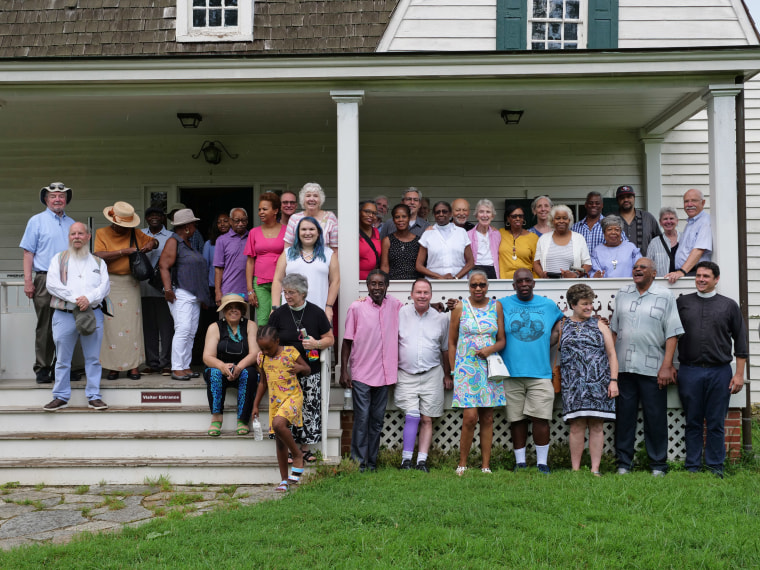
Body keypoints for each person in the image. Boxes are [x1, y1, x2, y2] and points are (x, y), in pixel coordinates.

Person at [610, 258, 683, 476]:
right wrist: (611, 365)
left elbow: (672, 332)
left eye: (643, 267)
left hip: (653, 368)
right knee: (624, 417)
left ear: (654, 272)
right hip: (624, 368)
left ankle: (658, 465)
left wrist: (667, 366)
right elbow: (614, 330)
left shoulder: (664, 296)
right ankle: (623, 463)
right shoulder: (623, 293)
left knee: (655, 417)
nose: (637, 270)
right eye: (635, 267)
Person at [676, 261, 747, 477]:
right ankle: (692, 467)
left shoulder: (728, 305)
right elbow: (670, 335)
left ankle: (716, 466)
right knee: (693, 420)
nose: (701, 280)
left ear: (716, 279)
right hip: (689, 370)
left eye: (706, 276)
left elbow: (741, 341)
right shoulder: (683, 303)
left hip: (719, 371)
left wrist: (739, 374)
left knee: (716, 421)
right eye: (698, 276)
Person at [498, 268, 563, 473]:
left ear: (534, 283)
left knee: (541, 418)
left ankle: (542, 463)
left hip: (540, 373)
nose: (524, 284)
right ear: (514, 285)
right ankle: (520, 463)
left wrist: (552, 339)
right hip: (510, 373)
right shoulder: (502, 304)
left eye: (528, 280)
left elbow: (561, 323)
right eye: (520, 281)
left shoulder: (548, 305)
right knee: (516, 419)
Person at [43, 222, 111, 411]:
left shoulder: (98, 262)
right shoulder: (59, 259)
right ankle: (61, 396)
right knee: (63, 359)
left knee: (93, 358)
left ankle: (94, 396)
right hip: (65, 314)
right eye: (73, 234)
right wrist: (76, 299)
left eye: (81, 233)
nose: (77, 237)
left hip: (93, 314)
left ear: (88, 237)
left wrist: (88, 298)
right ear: (69, 237)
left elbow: (104, 287)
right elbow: (52, 284)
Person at [340, 269, 402, 472]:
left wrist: (436, 306)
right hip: (362, 374)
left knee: (376, 421)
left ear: (387, 286)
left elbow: (413, 311)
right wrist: (344, 371)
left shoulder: (394, 305)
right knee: (362, 419)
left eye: (380, 284)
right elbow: (347, 341)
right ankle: (359, 463)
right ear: (367, 286)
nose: (377, 288)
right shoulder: (356, 308)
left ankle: (372, 463)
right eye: (373, 284)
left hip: (384, 374)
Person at [269, 273, 334, 463]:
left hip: (309, 370)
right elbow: (268, 338)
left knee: (308, 409)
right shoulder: (279, 314)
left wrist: (317, 343)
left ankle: (305, 448)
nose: (287, 296)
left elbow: (330, 339)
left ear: (303, 293)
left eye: (292, 293)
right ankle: (290, 449)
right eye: (285, 292)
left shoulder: (316, 313)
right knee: (287, 411)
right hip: (285, 373)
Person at [20, 181, 80, 384]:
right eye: (53, 196)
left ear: (66, 200)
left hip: (69, 280)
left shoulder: (73, 224)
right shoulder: (36, 221)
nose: (57, 199)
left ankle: (62, 367)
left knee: (68, 325)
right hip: (45, 278)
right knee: (46, 325)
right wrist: (28, 281)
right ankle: (43, 368)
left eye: (61, 196)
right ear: (46, 199)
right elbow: (28, 252)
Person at [449, 271, 506, 475]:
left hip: (489, 368)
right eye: (474, 285)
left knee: (488, 417)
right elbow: (452, 342)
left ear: (488, 286)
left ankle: (485, 465)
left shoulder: (495, 306)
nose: (478, 288)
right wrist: (454, 370)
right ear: (469, 287)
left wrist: (489, 349)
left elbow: (501, 340)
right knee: (470, 417)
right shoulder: (459, 307)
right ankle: (462, 463)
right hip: (466, 368)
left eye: (482, 284)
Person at [559, 284, 619, 475]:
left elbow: (612, 355)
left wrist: (613, 381)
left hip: (598, 384)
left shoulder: (600, 325)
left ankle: (595, 469)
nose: (589, 307)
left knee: (596, 425)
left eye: (590, 303)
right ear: (572, 305)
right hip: (572, 385)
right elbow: (552, 348)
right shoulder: (562, 325)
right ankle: (575, 470)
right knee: (576, 426)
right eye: (584, 304)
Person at [94, 201, 158, 381]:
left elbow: (155, 241)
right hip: (110, 283)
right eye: (121, 225)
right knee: (111, 326)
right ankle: (113, 367)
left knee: (132, 326)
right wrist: (124, 252)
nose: (123, 228)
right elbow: (98, 255)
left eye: (126, 226)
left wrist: (151, 245)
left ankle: (133, 366)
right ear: (113, 221)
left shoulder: (135, 233)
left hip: (131, 283)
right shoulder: (102, 233)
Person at [397, 278, 452, 472]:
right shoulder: (400, 313)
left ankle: (421, 461)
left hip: (432, 373)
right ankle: (406, 460)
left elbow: (445, 349)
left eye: (426, 292)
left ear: (431, 295)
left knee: (427, 419)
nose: (422, 296)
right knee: (412, 416)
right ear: (411, 294)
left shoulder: (441, 318)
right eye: (418, 292)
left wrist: (448, 375)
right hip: (406, 374)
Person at [253, 325, 311, 492]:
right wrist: (255, 405)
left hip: (293, 396)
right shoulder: (263, 358)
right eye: (261, 348)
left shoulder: (290, 352)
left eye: (268, 348)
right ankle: (284, 480)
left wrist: (300, 368)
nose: (264, 351)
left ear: (277, 341)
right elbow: (263, 383)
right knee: (279, 442)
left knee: (279, 424)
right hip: (275, 401)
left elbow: (307, 369)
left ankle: (298, 455)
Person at [158, 208, 213, 381]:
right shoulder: (173, 241)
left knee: (191, 332)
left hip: (194, 295)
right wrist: (168, 289)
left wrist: (203, 296)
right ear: (187, 227)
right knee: (182, 330)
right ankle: (176, 367)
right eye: (194, 224)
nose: (196, 227)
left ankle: (185, 365)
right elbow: (163, 265)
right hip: (180, 292)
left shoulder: (188, 243)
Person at [202, 294, 259, 437]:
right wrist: (222, 366)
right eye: (229, 308)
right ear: (223, 310)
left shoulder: (250, 325)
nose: (233, 311)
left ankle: (242, 419)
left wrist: (239, 367)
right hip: (220, 367)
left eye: (237, 308)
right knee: (213, 373)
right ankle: (216, 418)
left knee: (250, 373)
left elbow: (254, 353)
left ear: (242, 311)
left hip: (244, 367)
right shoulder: (214, 327)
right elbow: (207, 356)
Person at [271, 217, 340, 322]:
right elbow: (277, 280)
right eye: (303, 229)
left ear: (318, 232)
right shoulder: (287, 254)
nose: (307, 233)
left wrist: (329, 307)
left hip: (319, 311)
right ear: (298, 233)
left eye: (312, 229)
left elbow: (336, 281)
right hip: (290, 311)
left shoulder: (329, 254)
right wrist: (275, 307)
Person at [140, 206, 173, 376]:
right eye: (150, 215)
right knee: (148, 328)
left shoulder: (171, 237)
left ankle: (166, 363)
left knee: (166, 328)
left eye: (157, 215)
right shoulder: (139, 234)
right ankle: (152, 363)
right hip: (143, 288)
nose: (154, 217)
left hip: (163, 289)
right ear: (146, 218)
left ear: (163, 218)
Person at [245, 193, 285, 326]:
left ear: (275, 210)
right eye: (259, 209)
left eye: (265, 209)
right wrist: (250, 289)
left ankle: (279, 347)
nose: (261, 212)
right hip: (260, 283)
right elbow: (250, 261)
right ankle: (264, 347)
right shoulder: (254, 232)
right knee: (262, 321)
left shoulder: (286, 231)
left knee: (280, 319)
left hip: (281, 282)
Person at [415, 201, 474, 280]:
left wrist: (456, 278)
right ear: (434, 215)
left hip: (459, 282)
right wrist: (439, 277)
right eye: (438, 212)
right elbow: (419, 265)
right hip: (434, 282)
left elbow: (470, 262)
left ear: (450, 214)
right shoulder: (428, 234)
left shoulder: (461, 232)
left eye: (444, 211)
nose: (441, 214)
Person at [666, 188, 712, 283]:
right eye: (686, 201)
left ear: (703, 203)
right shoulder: (691, 223)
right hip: (686, 272)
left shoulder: (705, 222)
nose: (689, 204)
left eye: (694, 201)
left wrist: (682, 271)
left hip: (694, 273)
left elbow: (699, 250)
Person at [534, 205, 591, 278]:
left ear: (569, 220)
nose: (561, 221)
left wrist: (575, 274)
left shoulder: (579, 238)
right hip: (549, 285)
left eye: (565, 218)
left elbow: (587, 264)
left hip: (573, 285)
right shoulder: (543, 239)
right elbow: (536, 263)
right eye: (558, 218)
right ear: (552, 221)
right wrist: (542, 275)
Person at [283, 182, 338, 251]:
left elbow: (335, 249)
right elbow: (287, 247)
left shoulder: (330, 217)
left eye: (315, 196)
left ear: (320, 199)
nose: (311, 199)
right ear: (303, 199)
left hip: (324, 260)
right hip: (299, 260)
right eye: (308, 196)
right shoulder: (294, 218)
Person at [213, 207, 249, 304]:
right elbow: (218, 269)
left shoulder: (252, 237)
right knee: (227, 319)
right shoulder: (222, 240)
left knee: (247, 319)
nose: (241, 224)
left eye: (244, 220)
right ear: (230, 221)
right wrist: (217, 292)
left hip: (249, 292)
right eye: (237, 221)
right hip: (228, 292)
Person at [615, 185, 661, 255]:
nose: (626, 200)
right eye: (622, 198)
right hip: (617, 264)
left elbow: (659, 241)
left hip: (644, 263)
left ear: (634, 198)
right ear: (617, 200)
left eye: (629, 197)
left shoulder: (648, 218)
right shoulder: (610, 219)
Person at [572, 191, 620, 256]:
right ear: (586, 205)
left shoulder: (612, 226)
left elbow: (623, 246)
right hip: (580, 266)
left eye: (597, 203)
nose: (594, 205)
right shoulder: (575, 228)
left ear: (602, 205)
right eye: (591, 203)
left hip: (603, 266)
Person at [380, 203, 420, 280]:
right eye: (397, 217)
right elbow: (384, 266)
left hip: (414, 284)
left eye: (404, 216)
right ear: (393, 220)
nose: (401, 220)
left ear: (409, 218)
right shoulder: (387, 240)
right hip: (393, 284)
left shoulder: (418, 241)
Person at [498, 204, 538, 279]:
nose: (518, 218)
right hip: (503, 282)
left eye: (520, 216)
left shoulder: (533, 238)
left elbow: (536, 265)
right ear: (508, 218)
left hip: (525, 281)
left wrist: (535, 282)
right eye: (514, 216)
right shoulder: (500, 233)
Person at [467, 199, 501, 279]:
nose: (484, 215)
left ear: (492, 216)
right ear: (476, 215)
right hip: (475, 269)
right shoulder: (469, 235)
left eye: (488, 212)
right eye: (481, 212)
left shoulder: (497, 234)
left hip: (492, 269)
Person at [646, 207, 680, 276]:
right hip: (662, 284)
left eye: (671, 218)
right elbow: (648, 266)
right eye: (665, 219)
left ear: (677, 221)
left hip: (683, 283)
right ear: (660, 222)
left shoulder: (685, 239)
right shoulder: (654, 243)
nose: (668, 221)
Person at [358, 200, 381, 280]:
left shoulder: (376, 231)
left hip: (373, 281)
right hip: (356, 281)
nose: (371, 215)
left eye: (374, 213)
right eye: (367, 212)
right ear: (359, 212)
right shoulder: (353, 233)